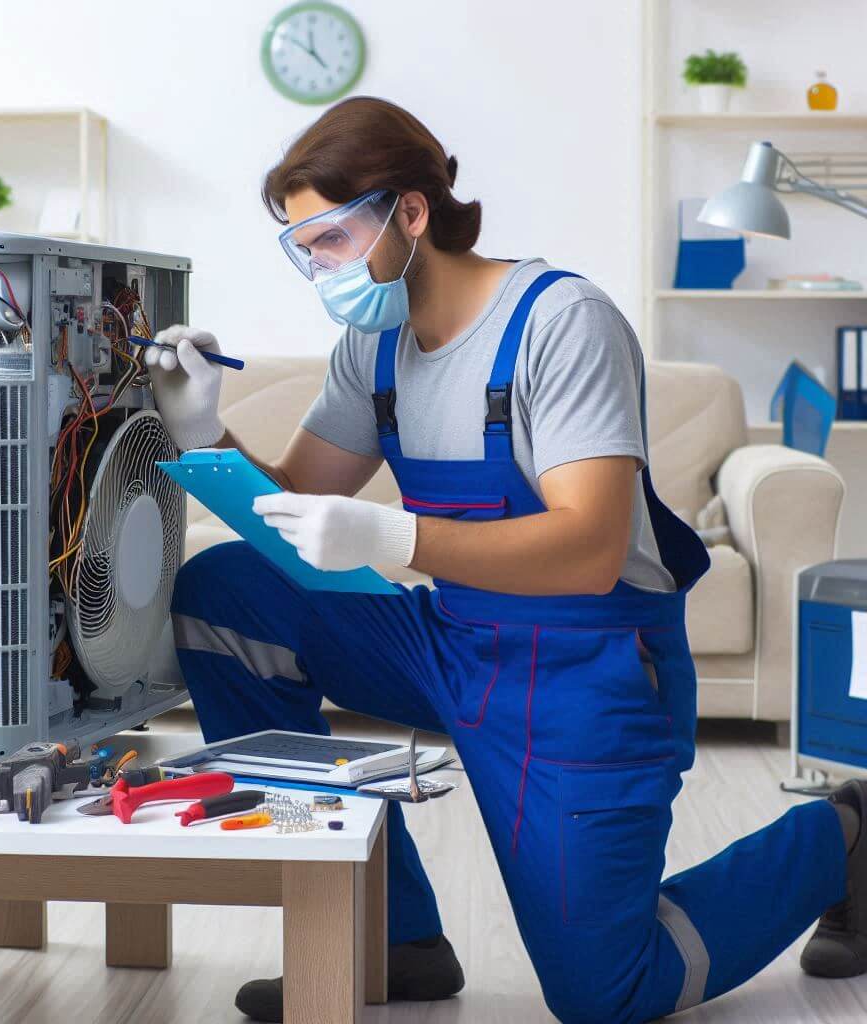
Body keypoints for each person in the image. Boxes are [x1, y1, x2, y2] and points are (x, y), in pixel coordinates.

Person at [146, 97, 867, 1023]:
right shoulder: (372, 346)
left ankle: (842, 835)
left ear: (409, 212)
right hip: (453, 637)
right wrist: (203, 427)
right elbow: (289, 500)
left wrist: (395, 538)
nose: (316, 267)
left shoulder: (560, 320)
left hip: (588, 666)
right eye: (302, 249)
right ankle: (392, 935)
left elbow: (590, 549)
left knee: (608, 992)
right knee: (225, 595)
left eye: (327, 237)